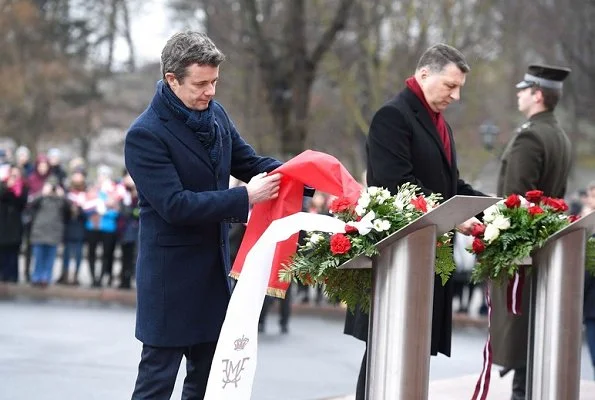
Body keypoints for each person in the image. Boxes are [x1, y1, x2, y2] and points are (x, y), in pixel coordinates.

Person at [124, 31, 283, 399]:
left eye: (214, 82)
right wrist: (244, 196)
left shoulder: (217, 114)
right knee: (156, 384)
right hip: (171, 282)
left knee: (209, 382)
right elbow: (175, 206)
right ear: (172, 80)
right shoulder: (144, 135)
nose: (210, 92)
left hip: (214, 277)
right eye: (201, 84)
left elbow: (250, 162)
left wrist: (305, 175)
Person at [344, 43, 485, 399]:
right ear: (424, 74)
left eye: (459, 89)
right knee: (383, 358)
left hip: (426, 258)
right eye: (449, 86)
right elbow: (396, 185)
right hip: (398, 259)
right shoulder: (393, 116)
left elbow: (454, 185)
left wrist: (495, 209)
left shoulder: (441, 125)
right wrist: (456, 217)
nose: (455, 96)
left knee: (412, 358)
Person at [490, 64, 572, 400]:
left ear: (537, 95)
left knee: (521, 341)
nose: (519, 95)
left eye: (524, 90)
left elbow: (515, 200)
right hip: (543, 246)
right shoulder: (559, 135)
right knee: (533, 342)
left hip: (522, 250)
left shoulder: (530, 136)